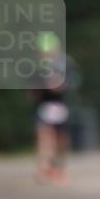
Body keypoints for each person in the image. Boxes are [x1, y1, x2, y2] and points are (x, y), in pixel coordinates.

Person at [30, 33, 72, 184]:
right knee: (43, 138)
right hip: (43, 106)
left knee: (61, 139)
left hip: (60, 105)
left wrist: (59, 86)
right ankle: (43, 167)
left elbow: (72, 83)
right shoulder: (36, 67)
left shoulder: (65, 63)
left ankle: (60, 168)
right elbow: (32, 90)